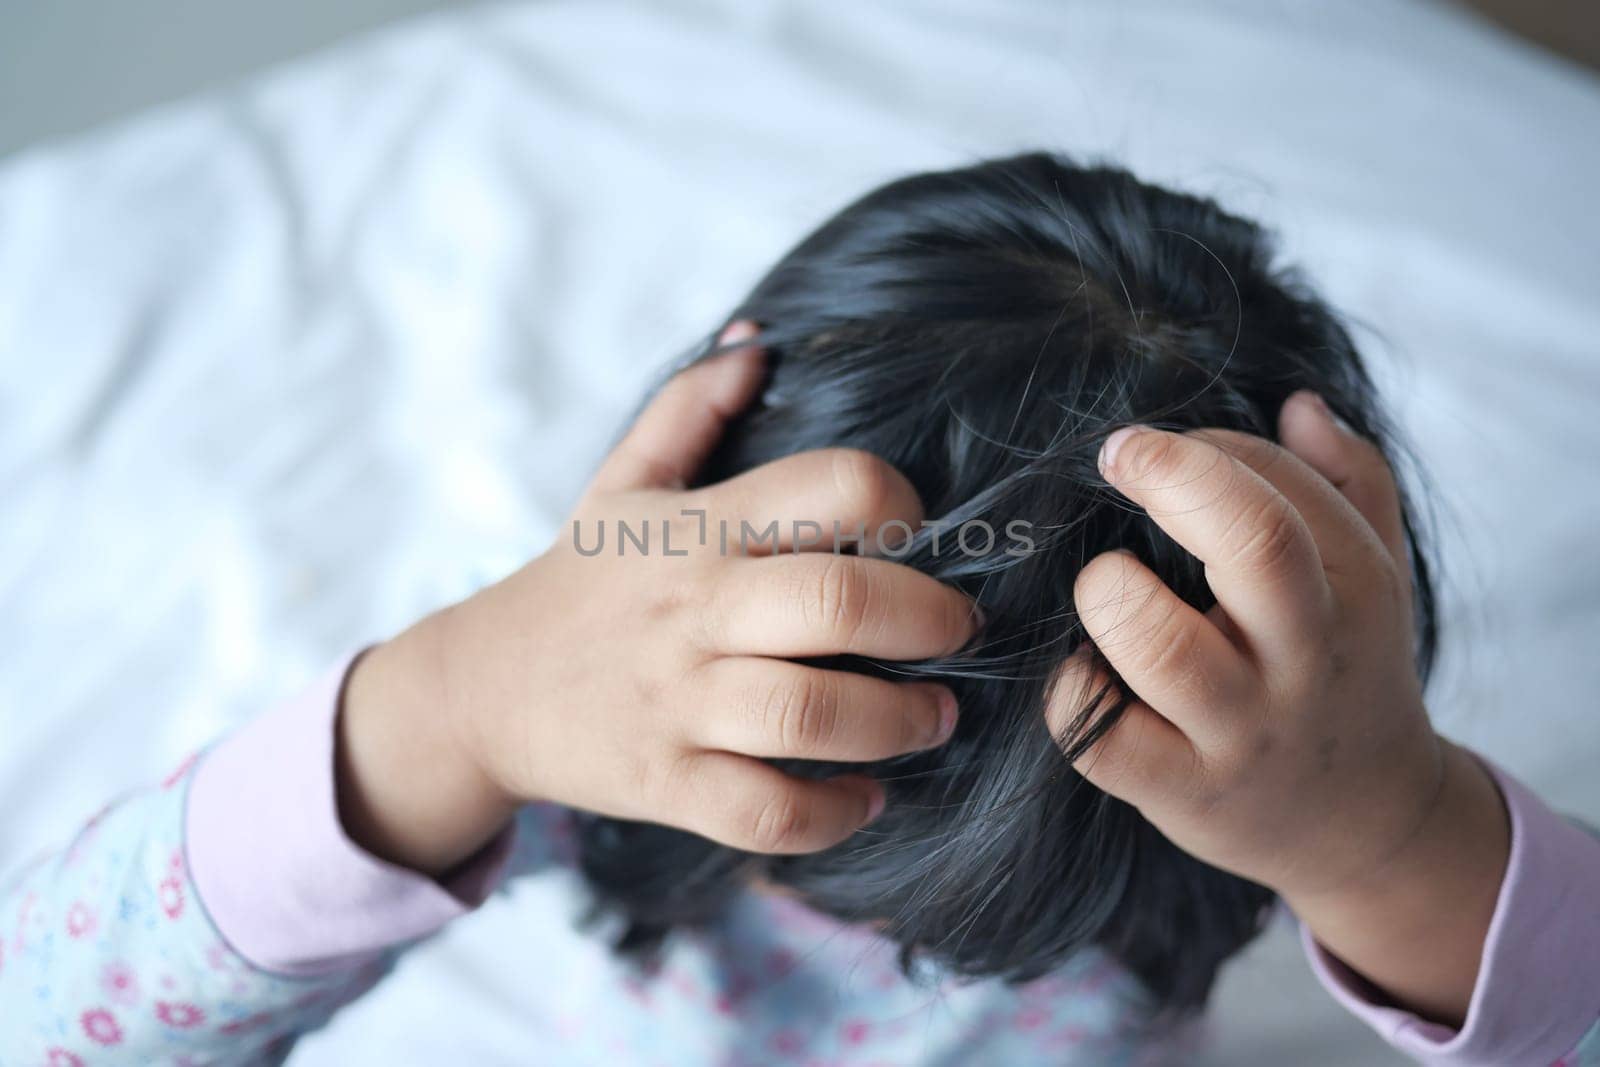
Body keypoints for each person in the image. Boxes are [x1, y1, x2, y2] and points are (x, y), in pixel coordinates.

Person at [2, 155, 1597, 1066]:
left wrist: (1396, 838)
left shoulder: (1299, 772)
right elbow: (54, 1015)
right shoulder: (604, 711)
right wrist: (442, 709)